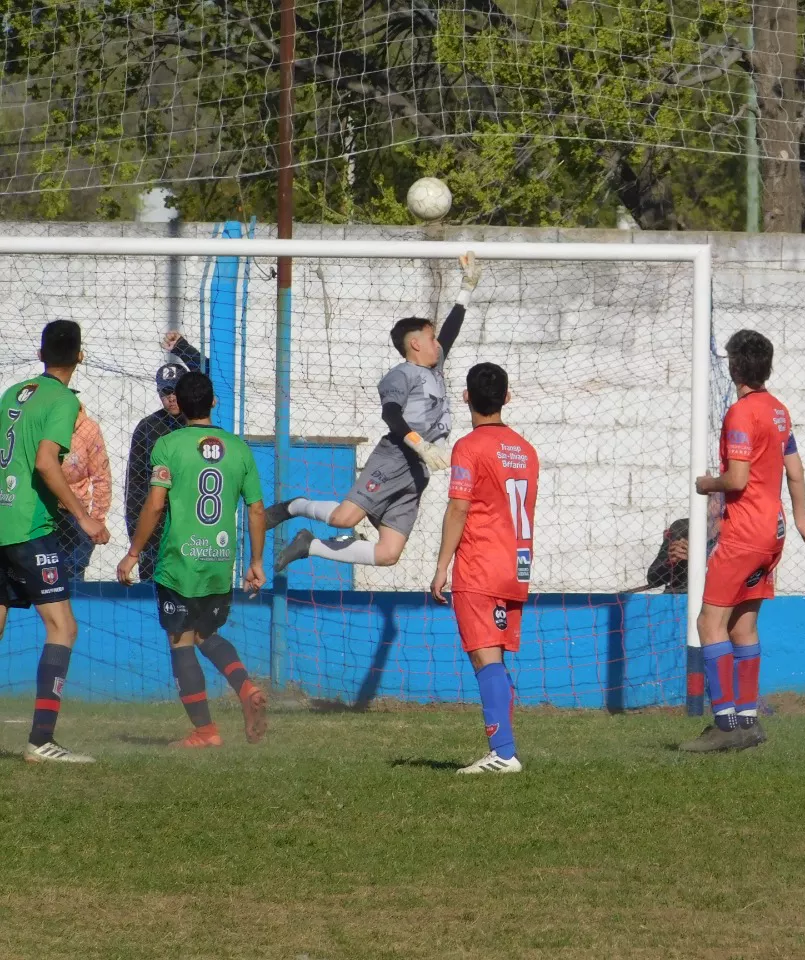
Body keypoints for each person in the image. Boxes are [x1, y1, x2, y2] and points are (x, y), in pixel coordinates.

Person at [268, 253, 482, 571]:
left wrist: (467, 286)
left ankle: (308, 546)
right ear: (415, 344)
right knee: (344, 519)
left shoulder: (435, 369)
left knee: (388, 554)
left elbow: (450, 331)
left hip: (418, 472)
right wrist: (420, 444)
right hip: (396, 457)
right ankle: (294, 506)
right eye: (431, 337)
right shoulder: (402, 374)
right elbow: (392, 415)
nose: (438, 343)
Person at [679, 329, 805, 754]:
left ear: (734, 366)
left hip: (744, 532)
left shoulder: (741, 414)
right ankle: (748, 721)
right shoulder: (779, 411)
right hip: (773, 531)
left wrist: (708, 483)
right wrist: (801, 520)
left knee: (709, 623)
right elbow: (794, 471)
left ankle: (725, 724)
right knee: (743, 624)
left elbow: (737, 478)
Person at [116, 371, 268, 748]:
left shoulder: (167, 445)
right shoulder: (240, 448)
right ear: (214, 402)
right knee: (206, 634)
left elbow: (154, 504)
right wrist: (257, 561)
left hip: (179, 562)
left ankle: (205, 731)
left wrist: (133, 552)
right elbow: (257, 510)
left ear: (179, 406)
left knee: (181, 641)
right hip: (220, 562)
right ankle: (245, 686)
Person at [0, 320, 109, 763]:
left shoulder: (14, 392)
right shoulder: (63, 400)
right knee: (63, 627)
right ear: (79, 356)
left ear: (41, 353)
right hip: (28, 528)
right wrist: (83, 517)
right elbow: (47, 463)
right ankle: (41, 740)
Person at [431, 362, 539, 775]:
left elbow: (459, 507)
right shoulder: (526, 450)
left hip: (480, 565)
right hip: (516, 565)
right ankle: (504, 749)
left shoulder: (469, 447)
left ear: (466, 398)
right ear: (507, 398)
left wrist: (442, 566)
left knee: (484, 659)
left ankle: (504, 753)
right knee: (493, 659)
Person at [125, 331, 208, 581]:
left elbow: (216, 376)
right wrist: (138, 537)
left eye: (175, 391)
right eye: (164, 391)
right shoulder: (148, 427)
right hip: (157, 530)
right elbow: (135, 486)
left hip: (193, 527)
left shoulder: (198, 423)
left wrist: (182, 348)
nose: (170, 397)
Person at [55, 404, 111, 580]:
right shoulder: (39, 423)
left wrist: (97, 520)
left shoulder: (88, 429)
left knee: (73, 572)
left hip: (74, 510)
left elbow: (102, 477)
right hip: (40, 509)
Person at [644, 495, 723, 594]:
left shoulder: (735, 531)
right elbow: (653, 579)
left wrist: (697, 557)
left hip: (714, 596)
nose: (712, 500)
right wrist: (671, 562)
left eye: (719, 496)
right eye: (709, 495)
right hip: (678, 595)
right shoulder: (681, 527)